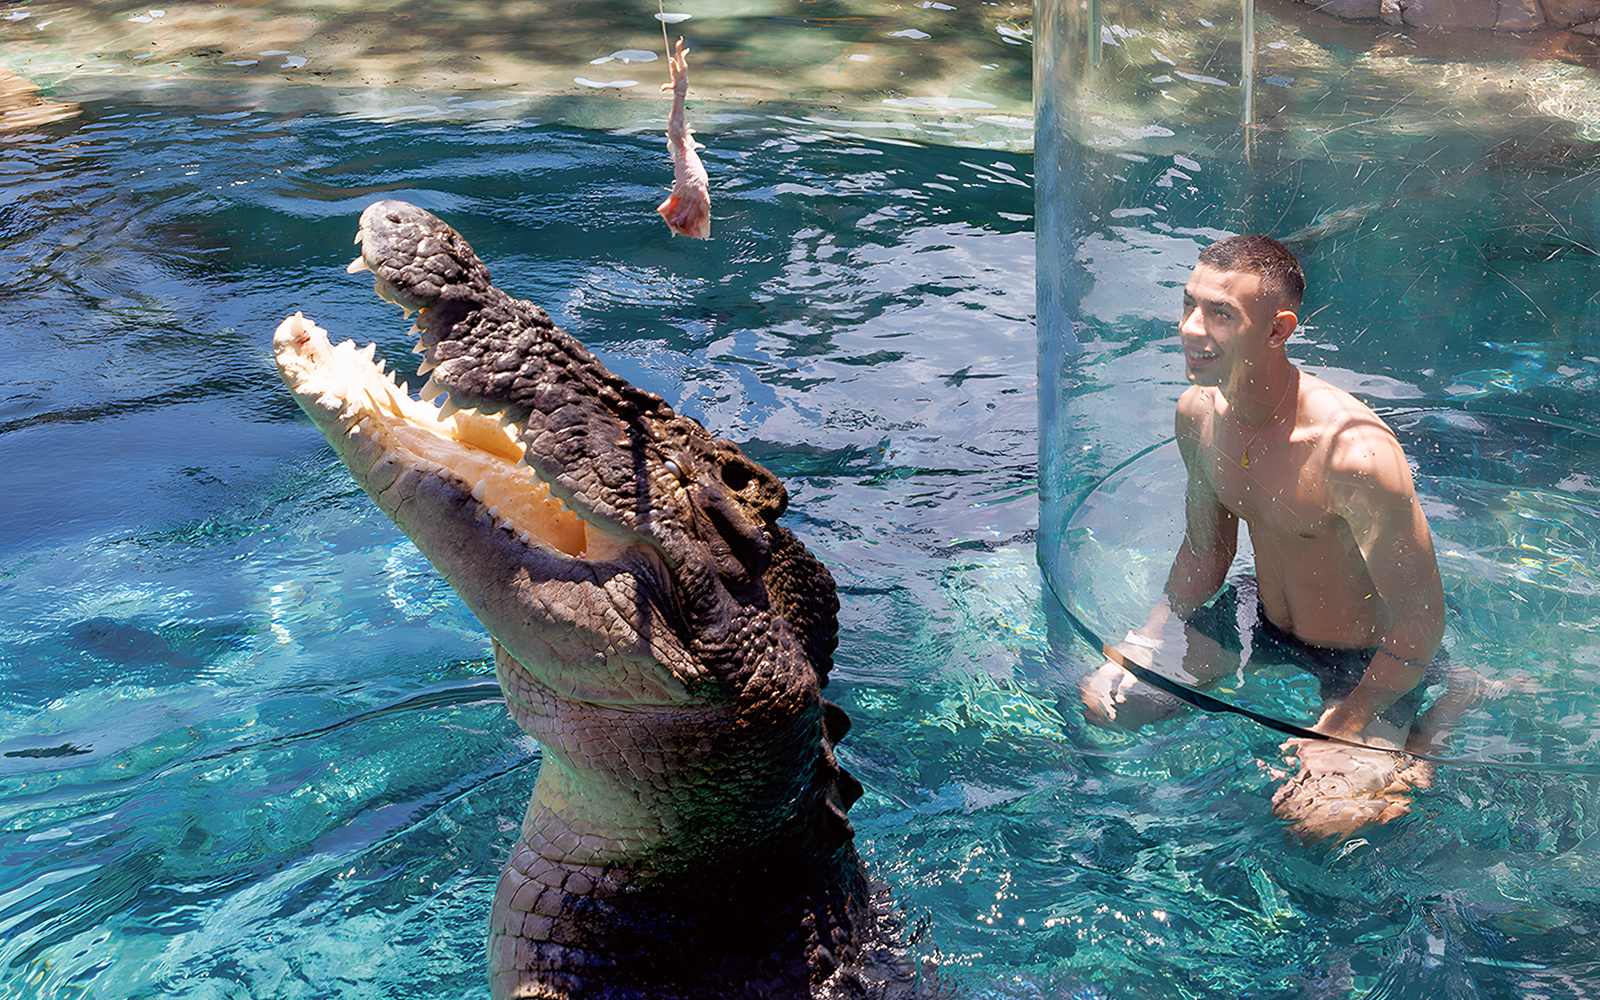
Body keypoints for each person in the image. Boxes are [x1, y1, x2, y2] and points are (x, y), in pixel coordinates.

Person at [1078, 234, 1469, 842]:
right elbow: (1207, 553)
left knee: (1317, 823)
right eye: (1188, 305)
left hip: (1367, 656)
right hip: (1258, 617)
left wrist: (1347, 719)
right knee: (1109, 704)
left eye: (1219, 314)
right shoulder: (1198, 414)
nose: (1189, 328)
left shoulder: (1355, 453)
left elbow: (1421, 620)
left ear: (1277, 330)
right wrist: (1146, 637)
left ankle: (1440, 719)